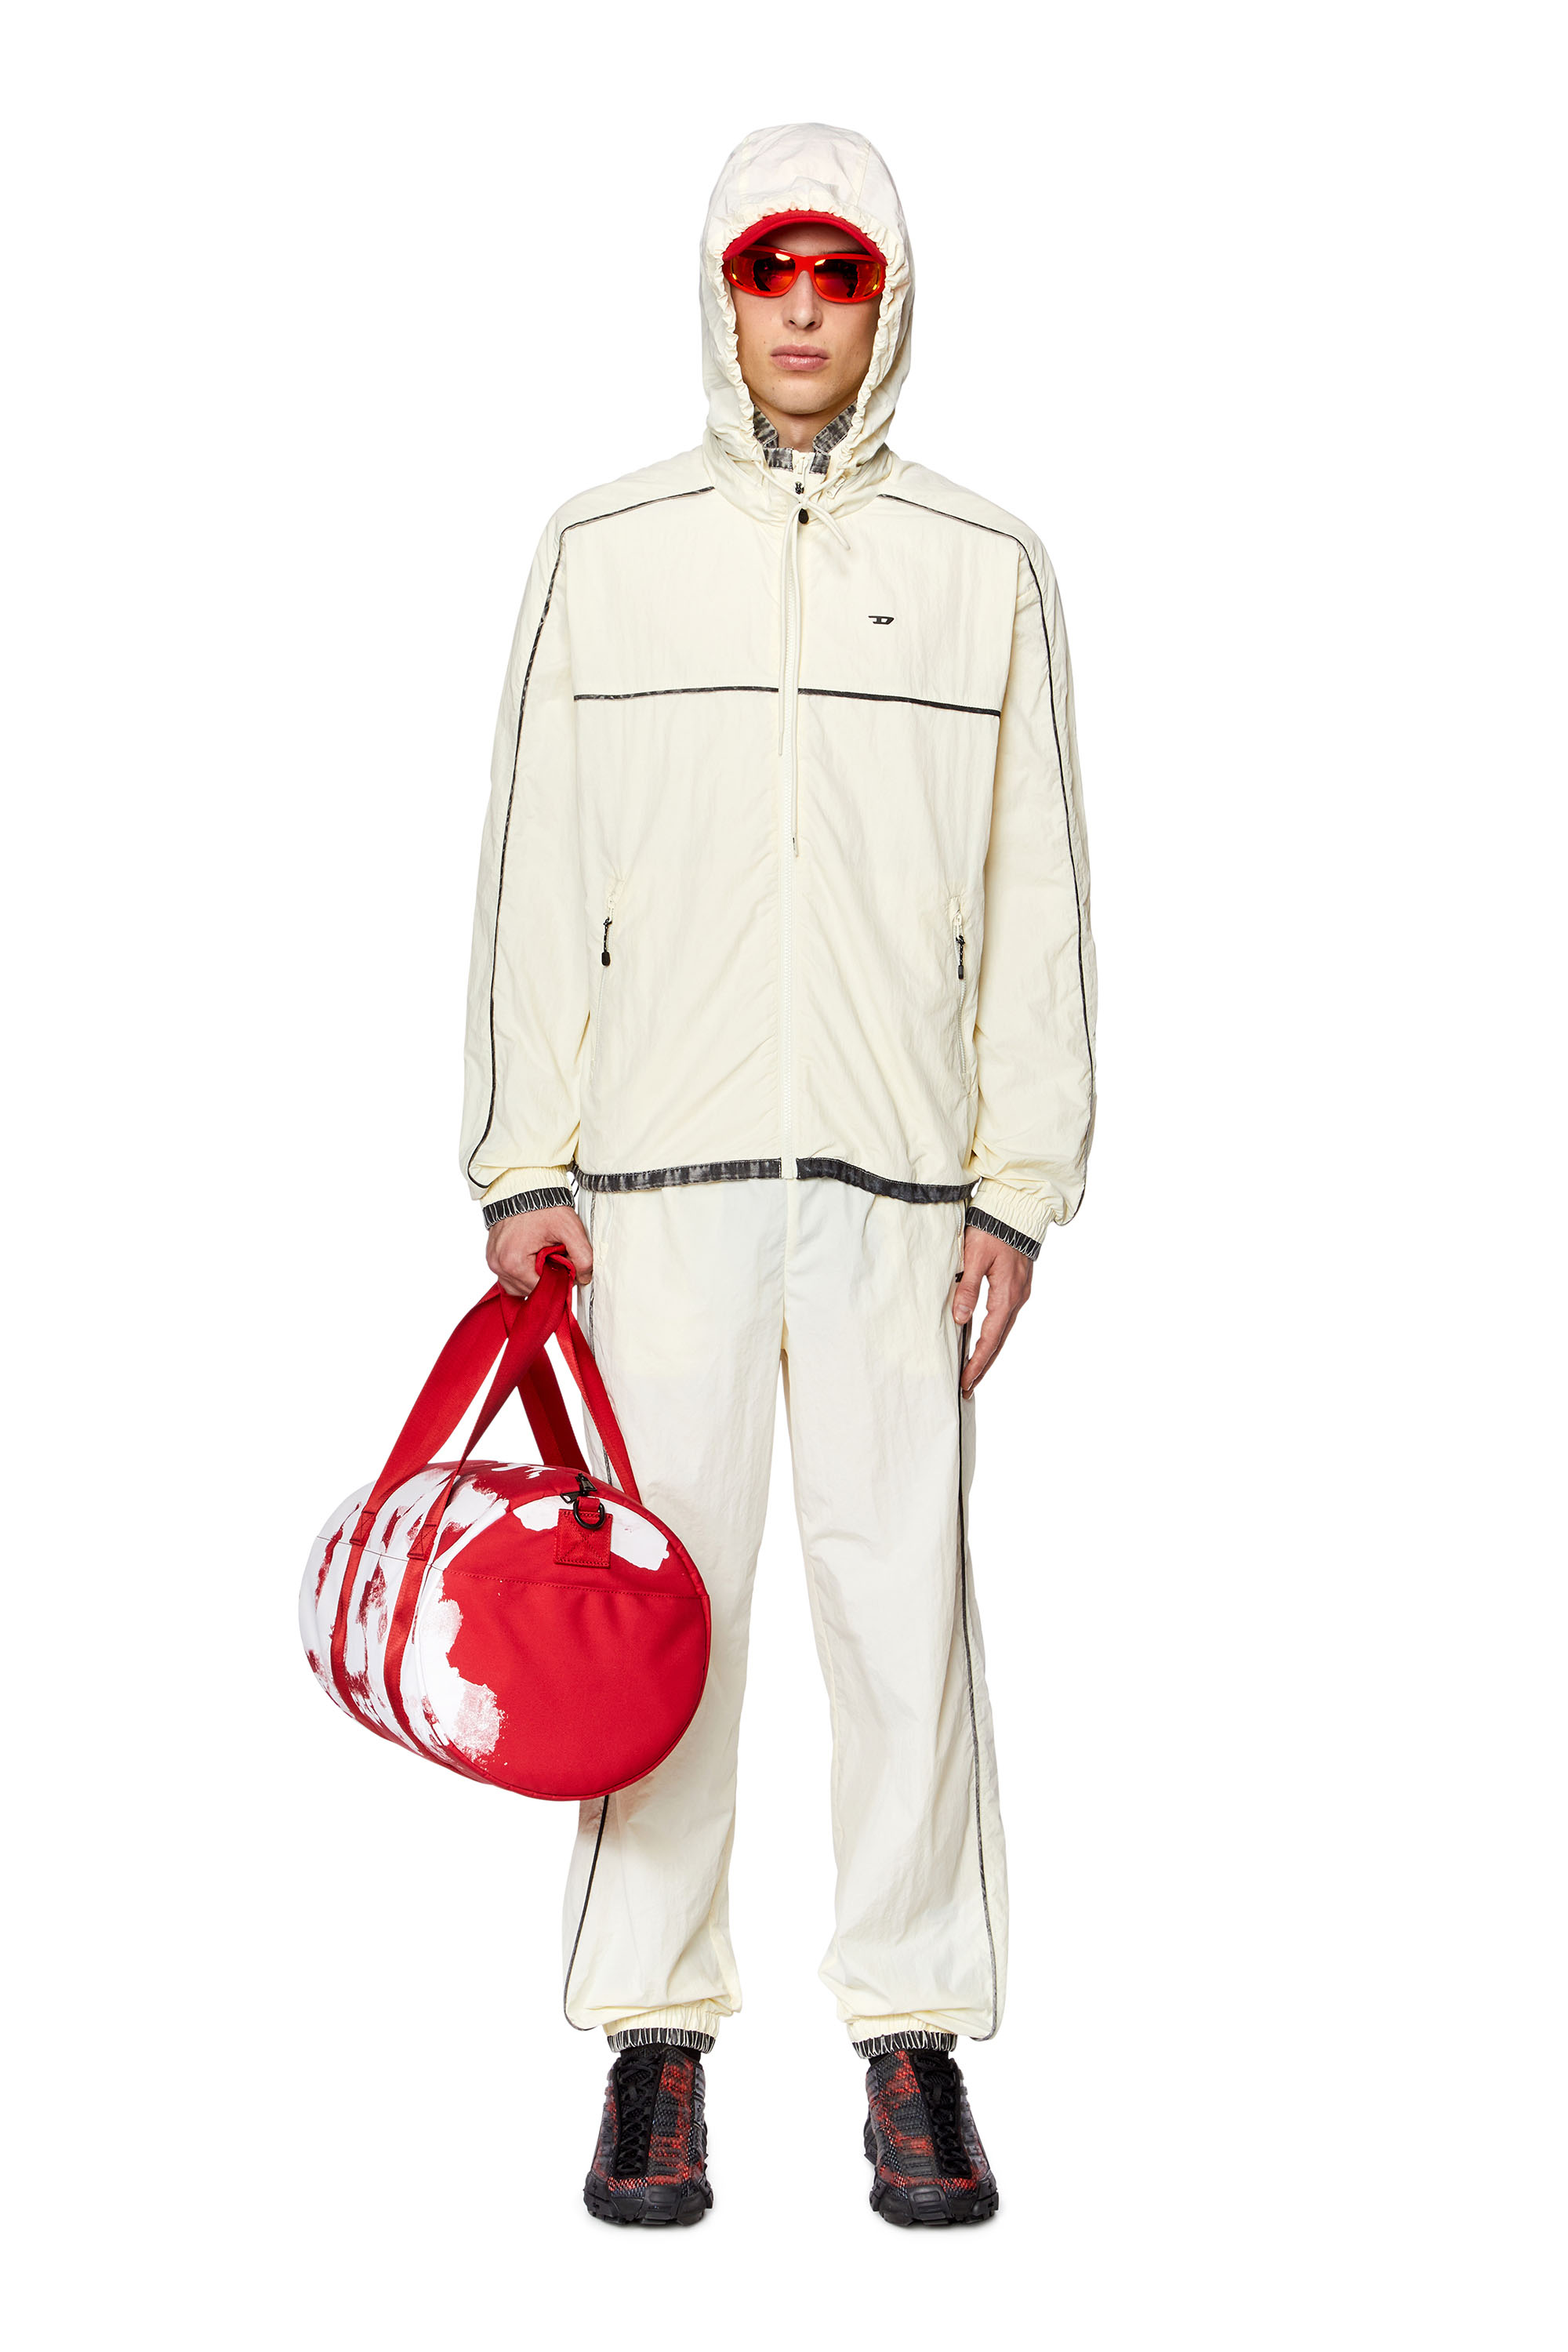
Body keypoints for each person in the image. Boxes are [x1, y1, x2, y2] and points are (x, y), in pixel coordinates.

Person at [462, 121, 1096, 2229]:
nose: (804, 310)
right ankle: (653, 2042)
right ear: (721, 294)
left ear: (886, 301)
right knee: (664, 1615)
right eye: (770, 271)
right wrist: (522, 1162)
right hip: (655, 1188)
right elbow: (535, 867)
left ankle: (915, 2035)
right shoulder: (606, 549)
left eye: (839, 274)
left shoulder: (990, 567)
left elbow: (1035, 888)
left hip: (903, 1190)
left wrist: (1019, 1181)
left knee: (906, 1614)